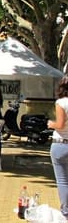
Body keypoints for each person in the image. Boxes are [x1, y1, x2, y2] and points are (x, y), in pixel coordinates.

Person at [48, 76, 68, 219]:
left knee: (62, 181)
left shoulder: (61, 102)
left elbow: (60, 125)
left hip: (60, 144)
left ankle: (66, 212)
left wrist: (51, 124)